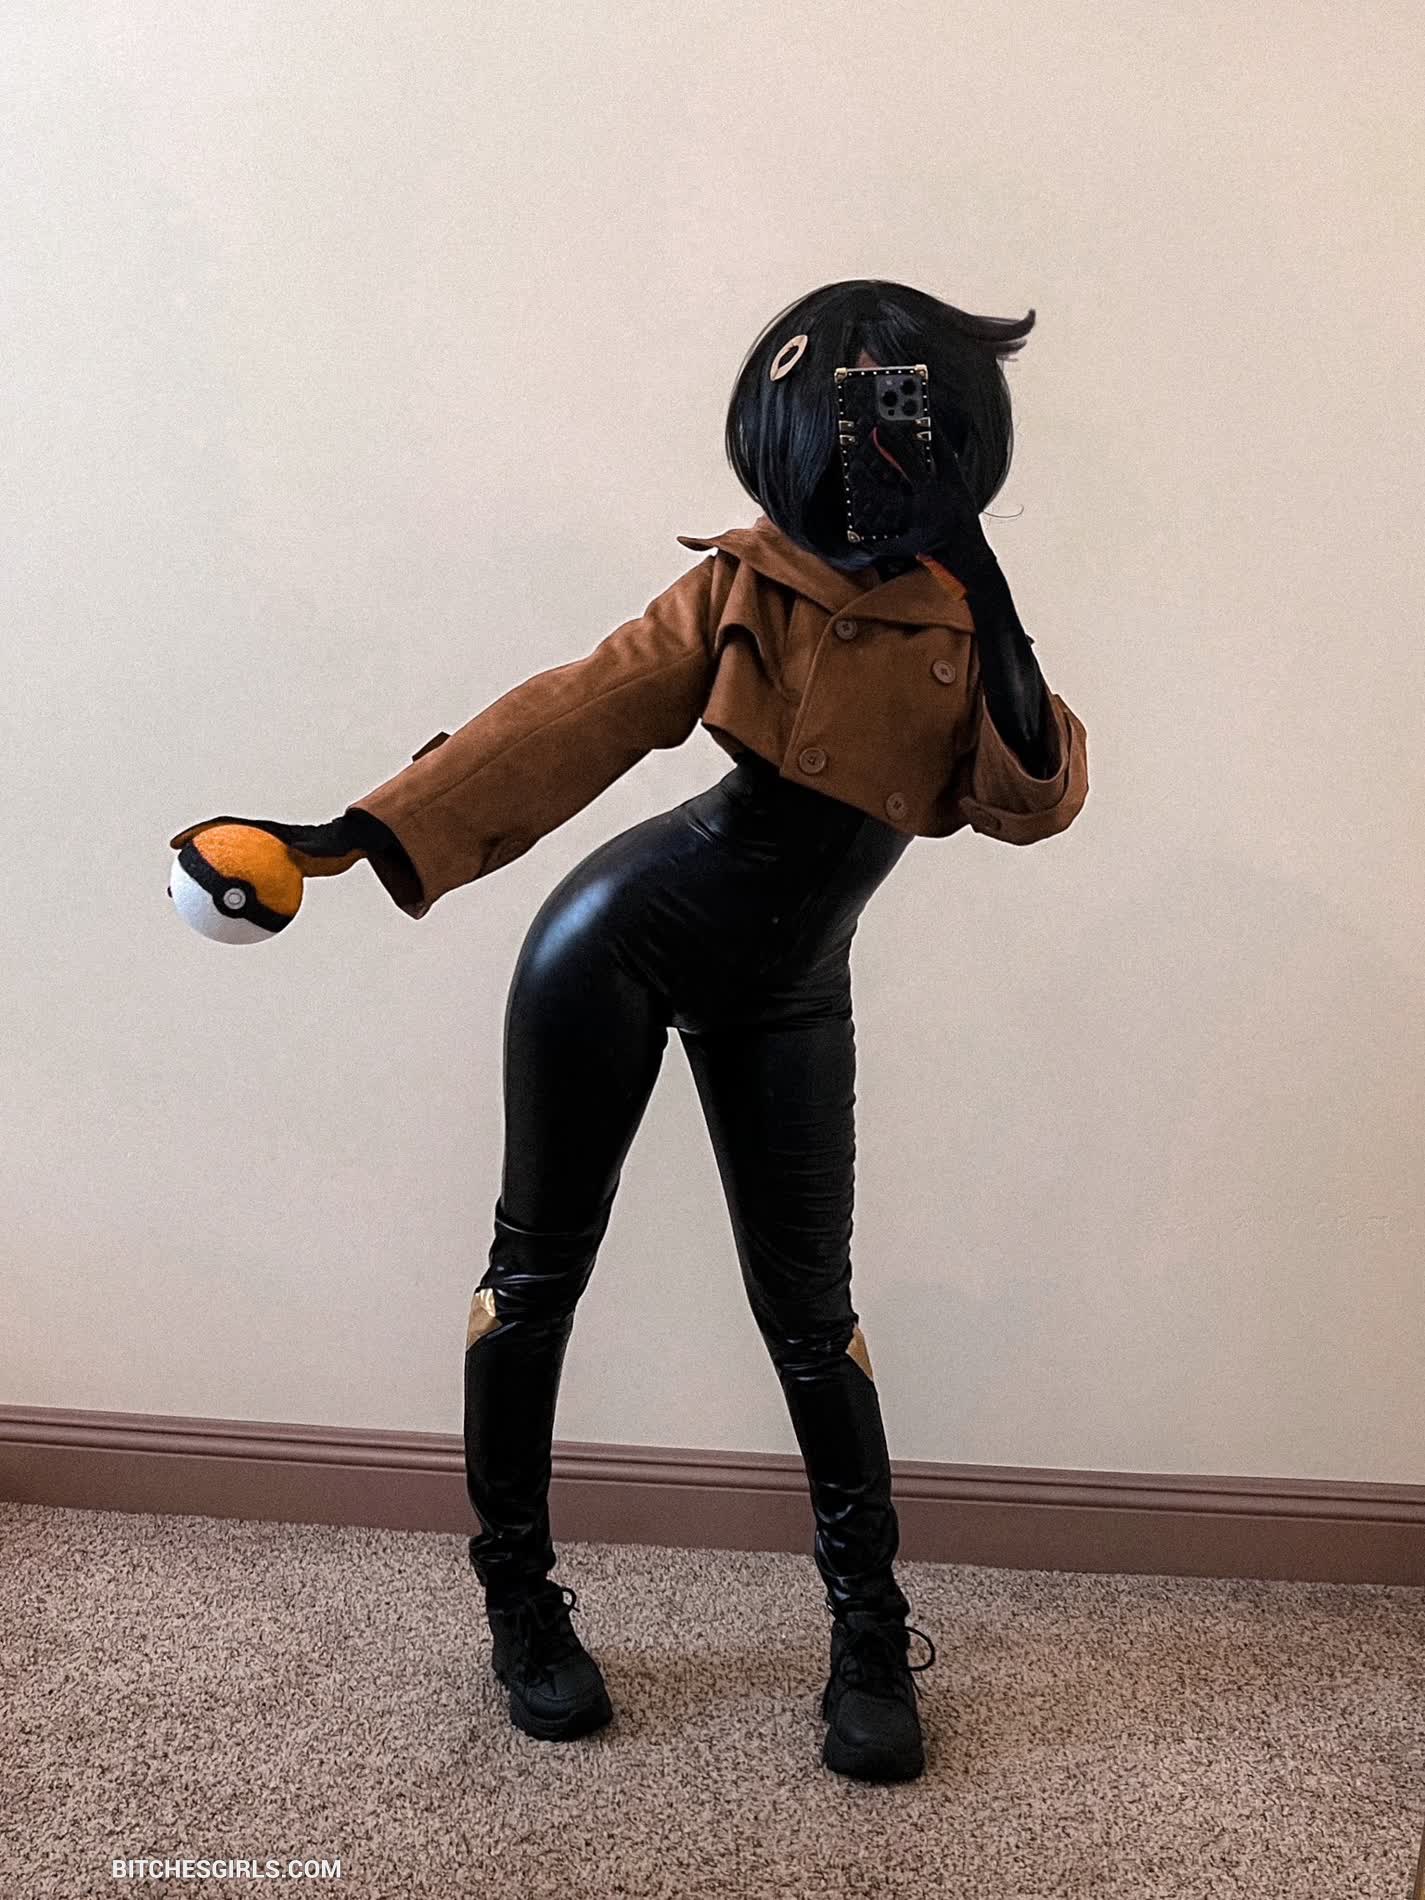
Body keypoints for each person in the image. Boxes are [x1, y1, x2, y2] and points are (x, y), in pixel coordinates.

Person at [173, 278, 1088, 1783]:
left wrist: (976, 569)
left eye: (907, 415)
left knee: (815, 1316)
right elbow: (576, 713)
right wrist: (353, 833)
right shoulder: (744, 587)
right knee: (535, 1277)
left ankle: (869, 1634)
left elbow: (1029, 794)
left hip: (793, 982)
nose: (875, 446)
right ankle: (519, 1604)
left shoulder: (957, 610)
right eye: (849, 418)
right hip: (618, 946)